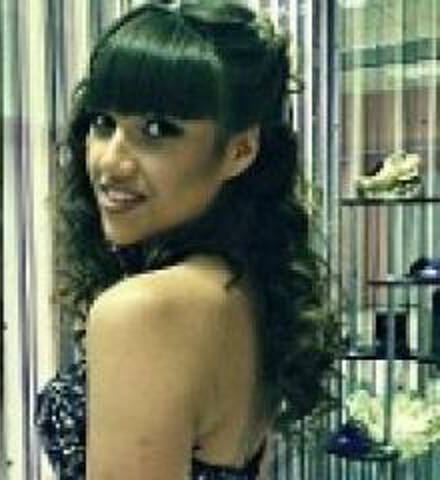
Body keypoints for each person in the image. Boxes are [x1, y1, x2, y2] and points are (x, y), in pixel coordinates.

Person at [35, 1, 340, 479]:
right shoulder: (248, 289)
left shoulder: (145, 311)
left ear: (239, 150)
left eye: (157, 130)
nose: (110, 162)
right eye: (103, 123)